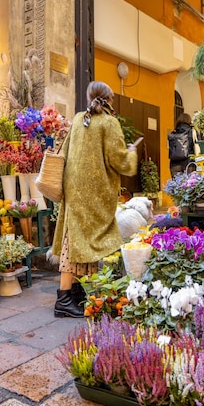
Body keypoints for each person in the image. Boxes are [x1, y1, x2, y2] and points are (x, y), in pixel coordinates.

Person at [51, 81, 138, 318]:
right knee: (76, 242)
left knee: (80, 238)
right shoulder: (109, 122)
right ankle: (63, 299)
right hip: (94, 193)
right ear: (110, 99)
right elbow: (119, 161)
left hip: (74, 188)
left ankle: (76, 293)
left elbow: (65, 151)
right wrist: (131, 155)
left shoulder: (80, 119)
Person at [167, 113, 195, 177]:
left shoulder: (173, 132)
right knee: (190, 184)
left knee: (177, 184)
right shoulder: (192, 131)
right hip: (189, 163)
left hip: (174, 163)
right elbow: (197, 147)